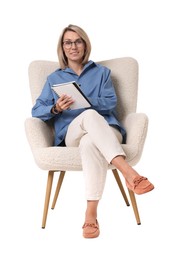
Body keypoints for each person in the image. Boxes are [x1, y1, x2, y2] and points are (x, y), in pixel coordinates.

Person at [32, 24, 154, 238]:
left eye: (78, 41)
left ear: (85, 44)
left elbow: (110, 103)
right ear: (62, 47)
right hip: (71, 135)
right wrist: (56, 108)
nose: (73, 46)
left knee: (90, 140)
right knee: (87, 118)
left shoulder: (102, 73)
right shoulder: (54, 78)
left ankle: (91, 214)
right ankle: (128, 173)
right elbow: (37, 110)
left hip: (107, 130)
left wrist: (85, 101)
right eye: (68, 42)